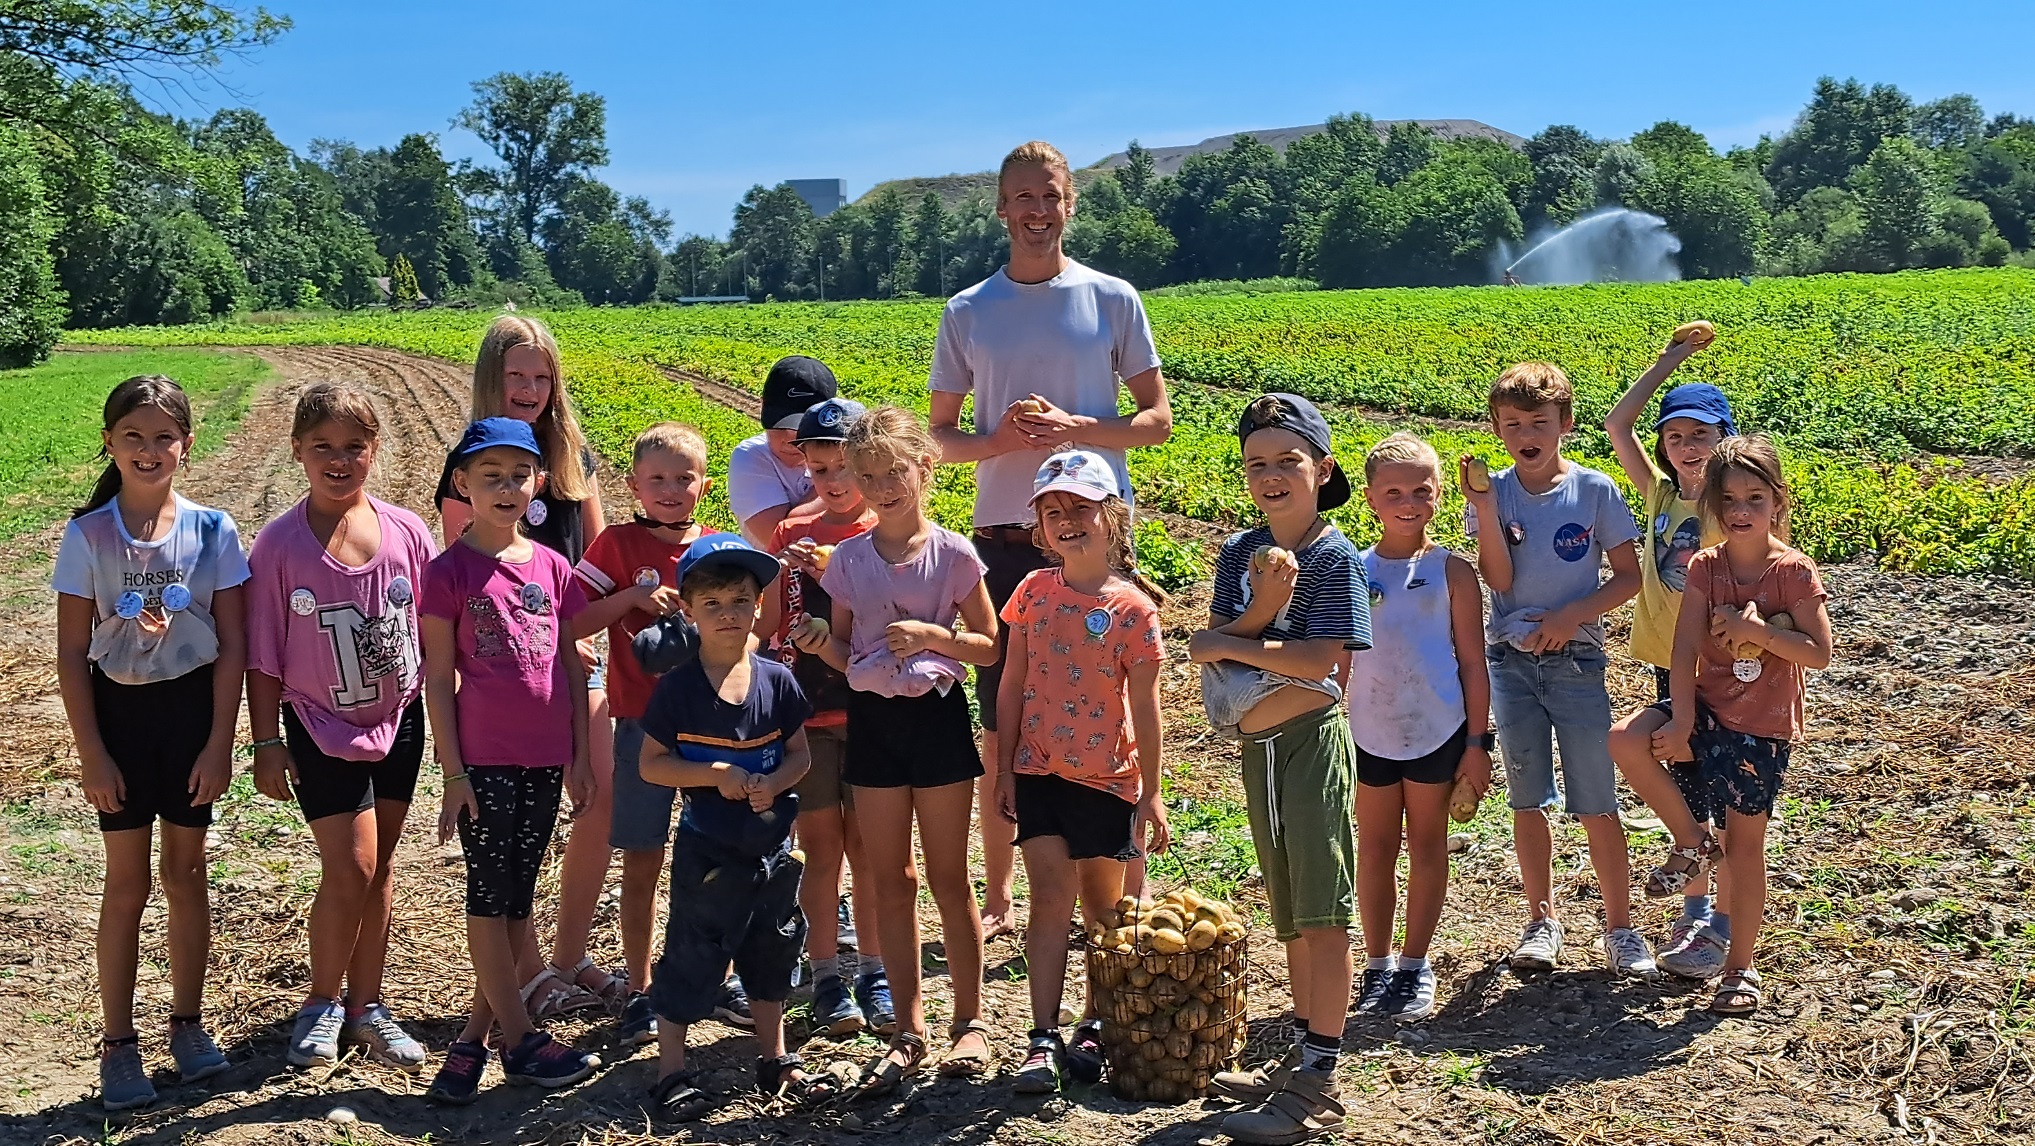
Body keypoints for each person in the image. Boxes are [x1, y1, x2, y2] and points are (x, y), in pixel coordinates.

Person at [927, 140, 1173, 938]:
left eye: (1051, 196)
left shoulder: (1110, 297)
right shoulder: (968, 310)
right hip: (1003, 534)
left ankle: (1124, 887)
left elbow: (1156, 422)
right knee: (1003, 715)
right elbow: (937, 438)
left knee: (1117, 711)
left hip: (1098, 537)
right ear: (1001, 209)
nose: (1037, 211)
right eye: (1022, 197)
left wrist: (1081, 431)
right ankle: (1003, 896)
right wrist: (998, 443)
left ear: (1070, 205)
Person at [54, 376, 248, 1110]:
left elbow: (232, 644)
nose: (149, 449)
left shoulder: (213, 531)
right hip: (121, 723)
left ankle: (188, 1026)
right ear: (109, 441)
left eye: (164, 436)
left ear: (187, 445)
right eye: (132, 435)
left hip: (190, 719)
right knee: (127, 885)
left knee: (188, 874)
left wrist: (220, 744)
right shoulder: (89, 535)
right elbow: (73, 653)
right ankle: (118, 1045)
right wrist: (92, 754)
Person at [798, 406, 1000, 1093]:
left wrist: (933, 637)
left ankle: (969, 1023)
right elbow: (847, 645)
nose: (884, 486)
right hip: (873, 723)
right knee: (890, 880)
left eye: (895, 472)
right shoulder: (849, 561)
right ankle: (907, 1030)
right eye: (869, 475)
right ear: (854, 480)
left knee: (948, 879)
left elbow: (989, 642)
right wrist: (816, 642)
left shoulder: (953, 554)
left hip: (937, 720)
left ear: (925, 468)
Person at [1189, 394, 1371, 1145]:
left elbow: (1320, 660)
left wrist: (1239, 638)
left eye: (1287, 461)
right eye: (1255, 464)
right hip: (1255, 747)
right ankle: (1299, 1058)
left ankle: (1319, 1081)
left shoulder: (1333, 556)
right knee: (1289, 910)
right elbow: (1210, 641)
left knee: (1323, 914)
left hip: (1309, 742)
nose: (1271, 476)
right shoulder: (1239, 553)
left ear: (1320, 468)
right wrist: (1264, 604)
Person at [246, 383, 437, 1072]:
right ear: (297, 450)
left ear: (374, 450)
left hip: (398, 718)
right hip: (317, 723)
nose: (339, 459)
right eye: (322, 446)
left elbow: (430, 631)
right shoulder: (279, 546)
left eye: (354, 446)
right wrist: (266, 740)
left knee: (380, 868)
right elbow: (262, 653)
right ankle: (320, 1003)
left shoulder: (408, 532)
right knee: (349, 866)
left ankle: (368, 1008)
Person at [435, 314, 619, 1018]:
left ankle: (569, 953)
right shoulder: (471, 469)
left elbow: (597, 560)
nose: (531, 388)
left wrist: (605, 622)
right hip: (509, 673)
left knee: (593, 798)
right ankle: (529, 968)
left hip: (574, 652)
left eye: (542, 376)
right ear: (492, 378)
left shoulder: (572, 457)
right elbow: (466, 589)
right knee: (507, 844)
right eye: (516, 375)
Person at [421, 418, 600, 1101]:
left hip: (544, 757)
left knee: (516, 902)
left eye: (518, 475)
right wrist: (454, 771)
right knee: (488, 898)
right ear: (461, 485)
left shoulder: (552, 567)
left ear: (539, 485)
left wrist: (580, 757)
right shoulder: (447, 573)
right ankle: (522, 1039)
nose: (505, 487)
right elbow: (439, 679)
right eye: (489, 476)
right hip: (486, 760)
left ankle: (471, 1041)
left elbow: (569, 663)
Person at [1462, 363, 1653, 978]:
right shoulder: (1493, 491)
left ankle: (1620, 928)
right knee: (1527, 799)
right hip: (1512, 664)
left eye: (1539, 422)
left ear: (1565, 425)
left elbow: (1629, 575)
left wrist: (1573, 616)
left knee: (1597, 799)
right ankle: (1541, 921)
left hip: (1576, 661)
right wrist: (1484, 507)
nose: (1526, 433)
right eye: (1512, 423)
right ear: (1497, 429)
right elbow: (1498, 579)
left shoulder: (1594, 491)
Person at [994, 450, 1169, 1095]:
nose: (1068, 520)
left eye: (1081, 507)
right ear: (1039, 528)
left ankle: (1095, 1022)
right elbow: (1011, 683)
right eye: (1053, 511)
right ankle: (1041, 1036)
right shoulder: (1031, 595)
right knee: (1046, 898)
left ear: (1111, 516)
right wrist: (1006, 765)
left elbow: (1145, 707)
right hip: (1039, 769)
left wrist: (1151, 791)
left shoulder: (1133, 611)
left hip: (1106, 779)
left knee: (1103, 909)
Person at [636, 535, 821, 1121]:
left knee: (773, 945)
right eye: (711, 603)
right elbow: (651, 764)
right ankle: (671, 1070)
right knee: (693, 950)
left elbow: (800, 756)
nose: (727, 614)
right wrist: (710, 774)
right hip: (708, 847)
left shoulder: (777, 681)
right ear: (688, 610)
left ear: (758, 607)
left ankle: (774, 1056)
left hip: (773, 844)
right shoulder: (678, 689)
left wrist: (779, 781)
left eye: (739, 600)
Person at [1653, 436, 1830, 1015]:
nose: (1741, 511)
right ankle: (1693, 844)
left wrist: (1761, 636)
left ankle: (1739, 968)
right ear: (1712, 504)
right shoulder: (1706, 566)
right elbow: (1682, 651)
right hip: (1706, 710)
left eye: (1755, 497)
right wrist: (1680, 718)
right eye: (1728, 499)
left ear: (1778, 500)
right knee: (1628, 739)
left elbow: (1820, 653)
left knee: (1745, 846)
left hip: (1762, 727)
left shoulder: (1794, 573)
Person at [570, 422, 719, 1046]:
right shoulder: (616, 545)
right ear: (633, 485)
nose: (670, 489)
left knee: (714, 859)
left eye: (683, 478)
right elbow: (574, 614)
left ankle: (714, 976)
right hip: (640, 722)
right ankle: (639, 985)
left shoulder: (714, 548)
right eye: (656, 478)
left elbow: (749, 623)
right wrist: (634, 596)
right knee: (642, 857)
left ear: (703, 486)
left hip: (714, 725)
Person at [1602, 330, 1739, 981]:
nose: (1686, 447)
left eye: (1701, 435)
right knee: (1656, 763)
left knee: (1724, 796)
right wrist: (1668, 360)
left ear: (1725, 444)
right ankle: (1693, 892)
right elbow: (1615, 422)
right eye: (1675, 436)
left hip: (1724, 675)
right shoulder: (1659, 494)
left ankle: (1715, 926)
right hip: (1670, 667)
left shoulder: (1730, 508)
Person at [758, 398, 893, 1039]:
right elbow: (776, 620)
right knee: (819, 849)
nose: (834, 481)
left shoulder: (885, 529)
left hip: (870, 708)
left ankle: (875, 969)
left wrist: (839, 572)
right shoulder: (791, 531)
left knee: (870, 849)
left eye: (847, 466)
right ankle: (825, 974)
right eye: (820, 468)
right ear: (803, 464)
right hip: (810, 711)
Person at [1348, 433, 1493, 1023]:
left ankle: (1414, 965)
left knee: (1428, 842)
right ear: (1370, 498)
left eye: (1421, 491)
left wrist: (1479, 744)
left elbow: (1472, 663)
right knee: (1376, 846)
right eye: (1394, 492)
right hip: (1369, 730)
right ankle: (1377, 963)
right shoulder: (1352, 569)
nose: (1409, 502)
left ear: (1438, 494)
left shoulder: (1452, 572)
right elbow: (1340, 659)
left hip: (1439, 730)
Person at [728, 355, 835, 548]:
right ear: (762, 406)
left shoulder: (846, 453)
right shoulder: (751, 455)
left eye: (801, 427)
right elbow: (779, 540)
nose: (789, 439)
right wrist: (847, 479)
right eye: (778, 425)